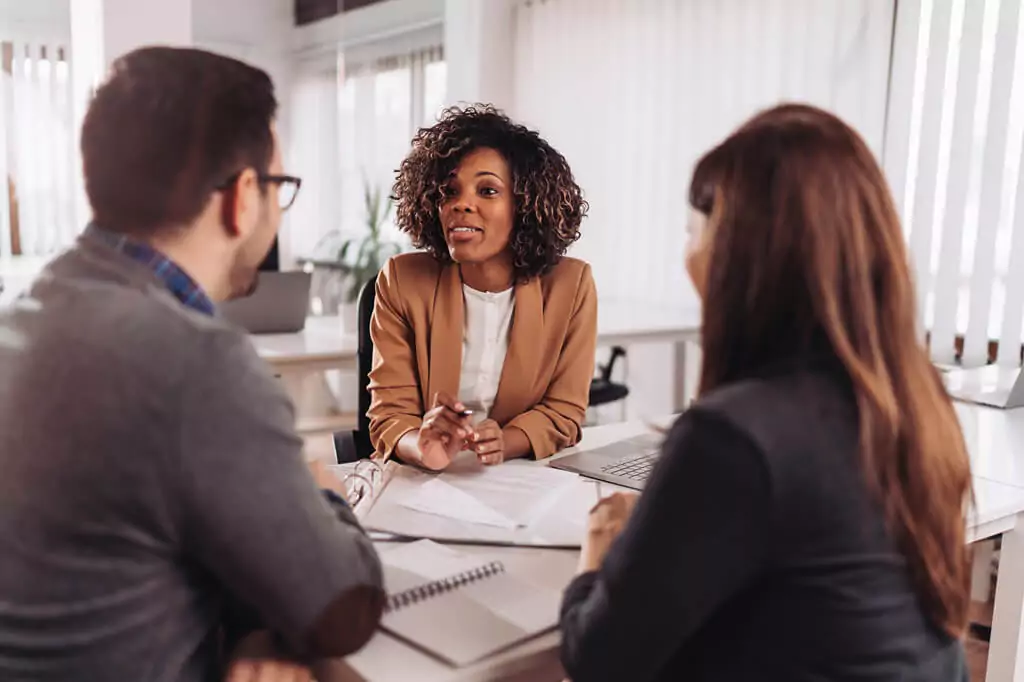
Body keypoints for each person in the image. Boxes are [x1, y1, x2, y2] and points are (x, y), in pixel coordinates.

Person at [0, 47, 385, 681]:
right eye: (279, 187)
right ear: (241, 198)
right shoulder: (196, 363)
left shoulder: (24, 318)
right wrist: (325, 492)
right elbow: (342, 610)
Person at [559, 104, 973, 681]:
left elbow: (598, 660)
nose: (688, 254)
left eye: (692, 231)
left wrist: (600, 550)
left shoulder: (733, 434)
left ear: (738, 252)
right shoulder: (914, 400)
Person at [368, 105, 597, 470]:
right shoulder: (402, 280)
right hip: (423, 482)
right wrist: (422, 445)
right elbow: (390, 416)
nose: (461, 204)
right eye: (449, 191)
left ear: (524, 206)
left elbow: (564, 411)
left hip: (520, 480)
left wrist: (505, 443)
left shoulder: (571, 286)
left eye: (488, 190)